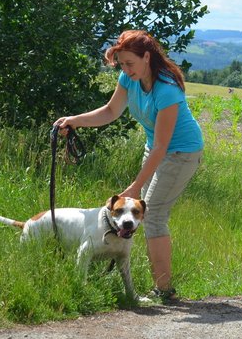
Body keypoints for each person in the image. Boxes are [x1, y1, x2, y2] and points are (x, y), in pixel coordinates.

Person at [54, 30, 203, 304]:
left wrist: (135, 186)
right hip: (156, 149)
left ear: (147, 57)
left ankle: (164, 289)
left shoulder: (167, 90)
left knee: (154, 212)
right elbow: (111, 112)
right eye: (121, 64)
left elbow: (162, 147)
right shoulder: (129, 79)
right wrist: (74, 120)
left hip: (182, 152)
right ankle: (156, 284)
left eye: (129, 63)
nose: (125, 69)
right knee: (149, 212)